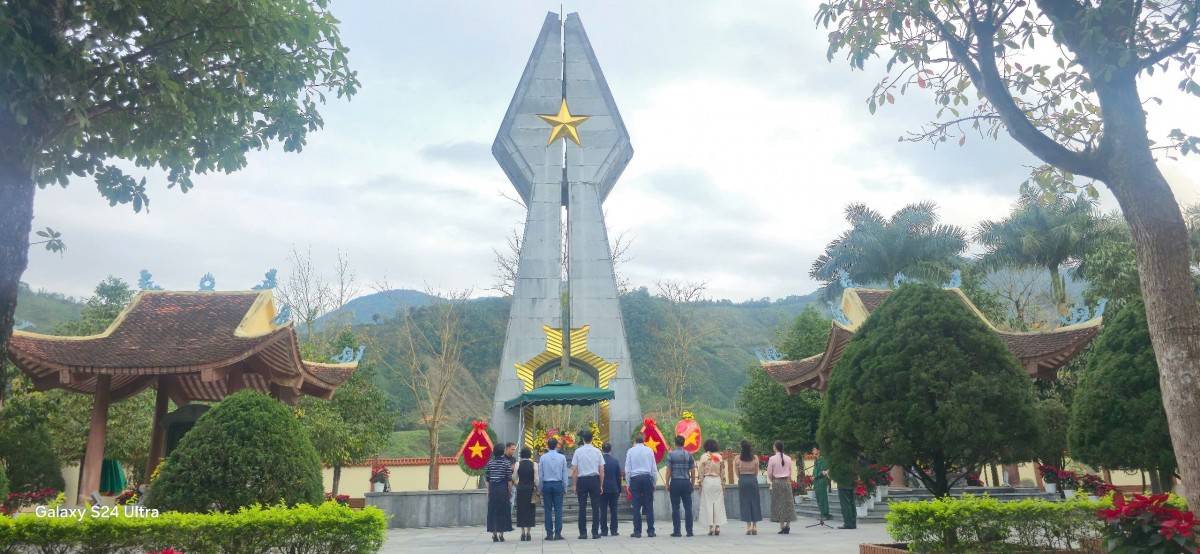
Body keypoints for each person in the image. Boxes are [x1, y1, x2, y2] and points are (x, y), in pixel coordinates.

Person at [571, 429, 605, 540]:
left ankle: (583, 533)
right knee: (596, 507)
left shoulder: (578, 451)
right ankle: (595, 532)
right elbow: (601, 469)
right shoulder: (597, 451)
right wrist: (601, 484)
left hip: (582, 481)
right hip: (594, 480)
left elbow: (574, 469)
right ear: (592, 439)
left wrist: (574, 484)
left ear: (583, 439)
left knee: (582, 507)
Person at [624, 435, 658, 538]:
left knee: (636, 506)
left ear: (635, 441)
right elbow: (653, 468)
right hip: (647, 478)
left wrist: (628, 484)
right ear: (644, 441)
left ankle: (637, 531)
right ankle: (651, 531)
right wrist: (654, 483)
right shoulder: (649, 450)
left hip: (635, 479)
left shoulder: (630, 451)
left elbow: (627, 469)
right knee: (649, 506)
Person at [664, 434, 695, 537]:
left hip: (675, 482)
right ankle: (689, 531)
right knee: (688, 508)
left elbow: (668, 471)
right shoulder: (689, 454)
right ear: (684, 443)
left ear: (675, 443)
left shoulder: (671, 454)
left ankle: (677, 531)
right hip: (686, 482)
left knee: (675, 507)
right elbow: (693, 470)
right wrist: (692, 483)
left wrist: (667, 483)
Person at [485, 442, 516, 542]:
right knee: (503, 511)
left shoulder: (490, 463)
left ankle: (494, 535)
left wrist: (489, 491)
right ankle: (501, 534)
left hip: (493, 489)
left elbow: (487, 479)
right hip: (503, 489)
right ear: (503, 451)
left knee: (493, 511)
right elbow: (509, 480)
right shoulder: (506, 463)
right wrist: (510, 491)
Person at [696, 438, 728, 536]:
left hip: (707, 481)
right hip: (717, 480)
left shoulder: (704, 457)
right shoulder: (719, 457)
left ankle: (710, 527)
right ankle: (717, 526)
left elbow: (701, 472)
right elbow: (722, 472)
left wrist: (700, 483)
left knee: (708, 504)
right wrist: (723, 484)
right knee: (718, 504)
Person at [539, 438, 568, 540]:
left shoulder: (543, 457)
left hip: (546, 484)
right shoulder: (562, 457)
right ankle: (558, 533)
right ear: (557, 445)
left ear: (547, 445)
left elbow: (541, 475)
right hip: (558, 484)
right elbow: (564, 474)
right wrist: (565, 487)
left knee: (547, 510)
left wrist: (540, 488)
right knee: (558, 510)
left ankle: (549, 534)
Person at [767, 440, 796, 534]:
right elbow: (790, 471)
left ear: (775, 447)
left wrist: (772, 480)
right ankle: (788, 526)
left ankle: (782, 526)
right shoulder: (788, 458)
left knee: (779, 504)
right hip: (786, 482)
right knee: (788, 504)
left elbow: (769, 473)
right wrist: (788, 480)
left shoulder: (772, 458)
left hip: (777, 482)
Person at [735, 440, 762, 535]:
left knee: (745, 503)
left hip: (743, 480)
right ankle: (755, 526)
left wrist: (742, 478)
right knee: (755, 502)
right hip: (753, 480)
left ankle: (748, 526)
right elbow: (756, 471)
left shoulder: (737, 458)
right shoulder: (755, 458)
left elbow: (737, 472)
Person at [515, 447, 538, 541]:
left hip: (521, 489)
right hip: (530, 490)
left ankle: (522, 532)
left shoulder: (517, 464)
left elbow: (514, 477)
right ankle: (528, 532)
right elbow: (536, 479)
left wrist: (517, 484)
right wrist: (536, 487)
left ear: (521, 455)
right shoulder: (534, 464)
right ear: (530, 455)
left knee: (521, 510)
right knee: (530, 510)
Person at [599, 442, 622, 536]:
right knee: (614, 510)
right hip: (613, 488)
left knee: (603, 510)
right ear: (611, 450)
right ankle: (614, 530)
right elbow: (618, 477)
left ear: (602, 450)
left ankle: (604, 530)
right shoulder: (615, 461)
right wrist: (619, 489)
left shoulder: (599, 461)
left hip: (603, 488)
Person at [811, 446, 833, 520]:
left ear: (818, 451)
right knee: (818, 499)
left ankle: (826, 514)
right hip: (816, 481)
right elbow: (815, 470)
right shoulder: (816, 460)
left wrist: (815, 476)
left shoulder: (823, 459)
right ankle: (822, 514)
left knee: (823, 498)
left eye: (814, 450)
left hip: (821, 481)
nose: (813, 451)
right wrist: (813, 476)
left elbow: (823, 471)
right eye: (813, 450)